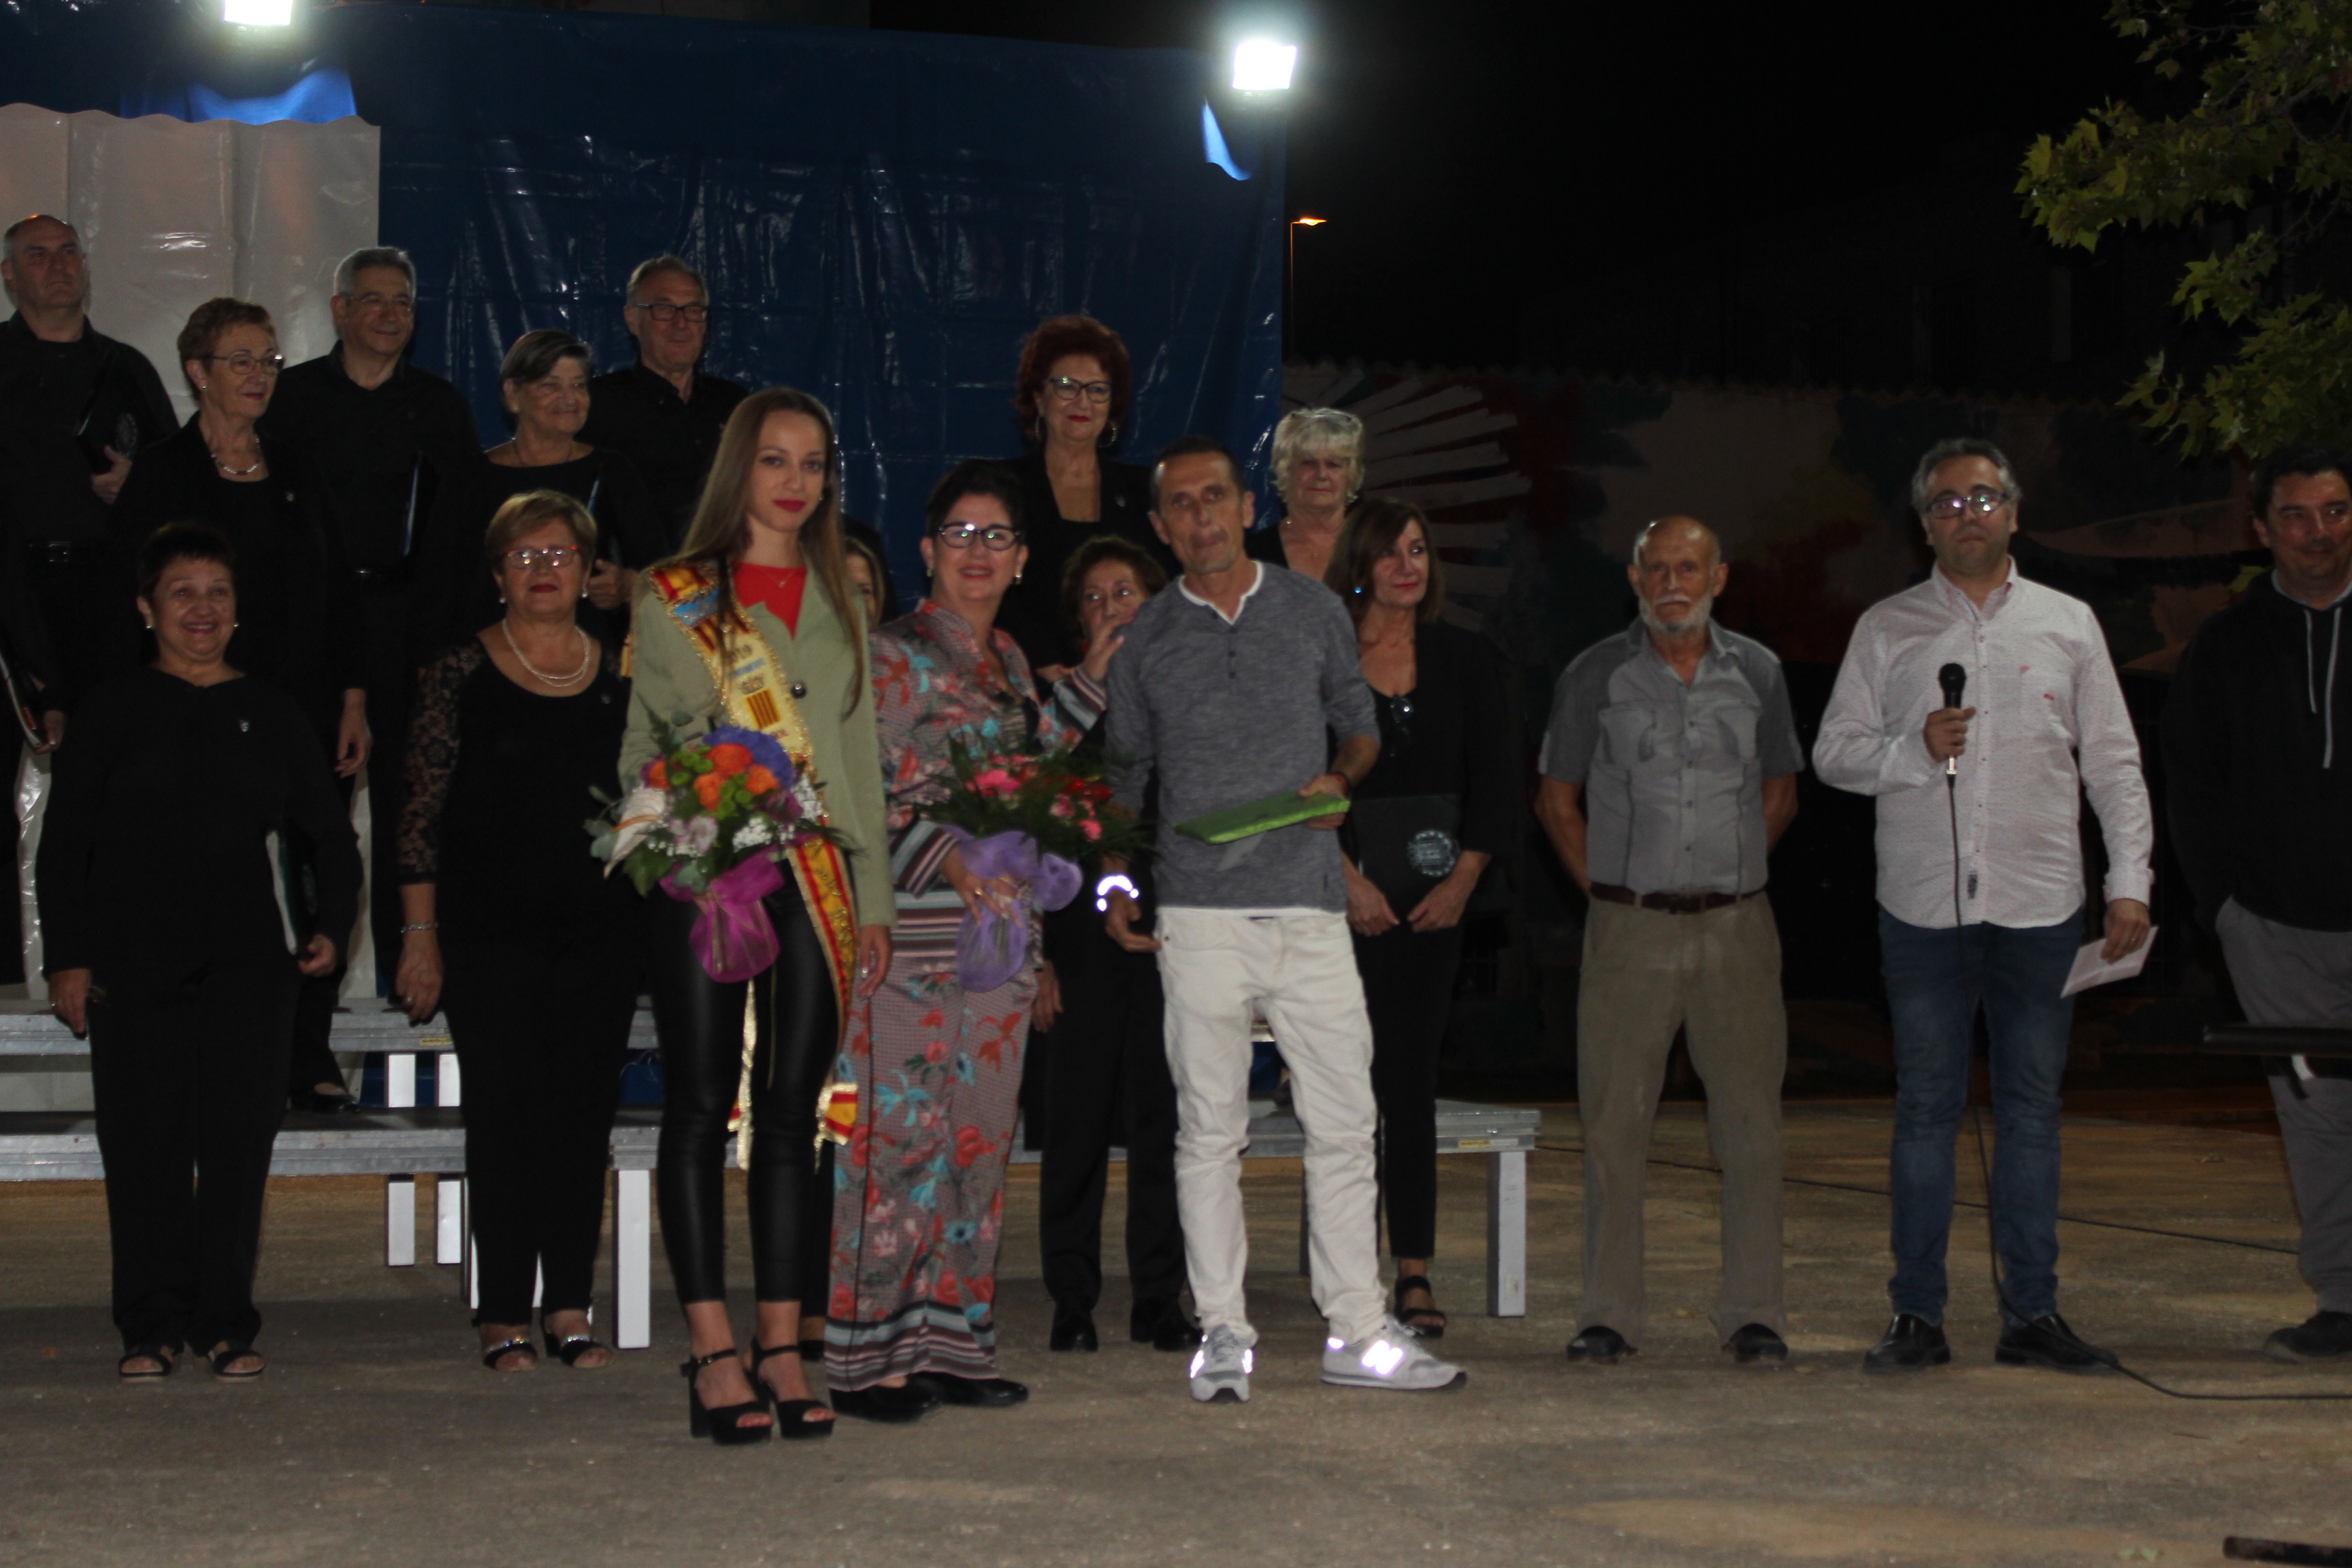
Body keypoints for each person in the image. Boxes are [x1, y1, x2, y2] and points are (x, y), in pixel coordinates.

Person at [1100, 433, 1465, 1402]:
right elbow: (1122, 782)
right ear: (1161, 524)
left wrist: (1339, 778)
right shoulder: (1147, 638)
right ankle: (1223, 1332)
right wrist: (1112, 885)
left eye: (1215, 497)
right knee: (1207, 1134)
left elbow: (1360, 726)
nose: (1202, 518)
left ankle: (1359, 1331)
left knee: (1347, 1124)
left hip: (1310, 909)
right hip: (1198, 918)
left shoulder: (1311, 609)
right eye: (1181, 504)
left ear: (1245, 505)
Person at [1816, 436, 2153, 1375]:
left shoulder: (2068, 622)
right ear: (1923, 524)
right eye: (1948, 503)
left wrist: (2130, 881)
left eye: (1983, 498)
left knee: (2032, 1112)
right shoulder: (1887, 627)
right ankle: (1916, 1315)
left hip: (2041, 904)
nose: (1968, 515)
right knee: (1927, 1107)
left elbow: (2113, 761)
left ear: (2014, 511)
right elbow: (1834, 752)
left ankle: (2032, 1314)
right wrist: (1914, 751)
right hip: (1923, 908)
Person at [623, 387, 895, 1445]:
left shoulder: (839, 597)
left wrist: (873, 901)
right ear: (740, 467)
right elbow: (645, 746)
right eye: (776, 460)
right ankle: (711, 1351)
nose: (795, 482)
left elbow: (858, 762)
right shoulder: (674, 594)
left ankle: (782, 1346)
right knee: (699, 1107)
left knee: (793, 1115)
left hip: (819, 878)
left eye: (814, 464)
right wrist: (687, 828)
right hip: (708, 872)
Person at [828, 459, 1116, 1417]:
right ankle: (869, 1360)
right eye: (961, 534)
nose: (978, 552)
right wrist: (943, 856)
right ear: (927, 549)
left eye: (998, 537)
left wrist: (1091, 684)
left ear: (1023, 558)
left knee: (978, 1144)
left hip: (997, 939)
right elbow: (850, 789)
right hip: (909, 938)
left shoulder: (1013, 664)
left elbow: (1024, 776)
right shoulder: (889, 653)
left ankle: (954, 1345)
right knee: (895, 1146)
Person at [37, 523, 359, 1380]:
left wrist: (331, 926)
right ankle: (149, 1325)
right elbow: (64, 848)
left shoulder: (273, 710)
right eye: (182, 592)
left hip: (251, 967)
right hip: (131, 967)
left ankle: (225, 1322)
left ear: (238, 609)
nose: (202, 609)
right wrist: (68, 959)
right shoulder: (111, 709)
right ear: (147, 609)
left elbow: (331, 837)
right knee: (141, 1147)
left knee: (235, 1150)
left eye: (218, 592)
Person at [1533, 514, 1801, 1366]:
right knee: (1614, 1127)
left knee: (1751, 1129)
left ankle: (1754, 1313)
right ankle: (1609, 1314)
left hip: (1737, 930)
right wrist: (1611, 893)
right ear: (1635, 579)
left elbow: (1781, 791)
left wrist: (1732, 871)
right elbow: (1555, 801)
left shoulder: (1758, 671)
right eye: (1657, 570)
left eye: (1690, 569)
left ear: (1719, 578)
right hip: (1630, 930)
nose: (1673, 585)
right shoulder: (1595, 674)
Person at [393, 490, 642, 1373]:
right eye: (525, 556)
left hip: (602, 933)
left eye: (561, 554)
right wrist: (419, 933)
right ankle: (501, 1312)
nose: (544, 569)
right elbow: (417, 816)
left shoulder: (624, 670)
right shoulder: (456, 670)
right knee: (504, 1119)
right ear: (497, 573)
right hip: (486, 935)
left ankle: (569, 1306)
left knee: (582, 1118)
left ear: (588, 571)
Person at [109, 296, 370, 1116]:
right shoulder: (163, 471)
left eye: (269, 360)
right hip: (197, 713)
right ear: (197, 372)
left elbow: (341, 591)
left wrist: (354, 698)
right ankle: (202, 1045)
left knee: (317, 873)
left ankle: (307, 1049)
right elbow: (126, 600)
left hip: (304, 709)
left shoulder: (297, 467)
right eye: (241, 360)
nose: (260, 375)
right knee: (208, 877)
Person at [2162, 442, 2352, 1366]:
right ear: (2262, 529)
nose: (2320, 533)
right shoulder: (2226, 646)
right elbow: (2191, 783)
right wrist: (2225, 909)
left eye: (2336, 511)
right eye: (2297, 516)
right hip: (2274, 929)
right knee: (2317, 1122)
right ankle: (2345, 1301)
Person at [261, 245, 483, 994]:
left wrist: (449, 650)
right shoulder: (289, 400)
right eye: (375, 299)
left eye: (403, 302)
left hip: (412, 634)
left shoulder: (441, 408)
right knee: (312, 816)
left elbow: (465, 538)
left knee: (411, 812)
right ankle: (309, 1001)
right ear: (340, 311)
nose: (390, 314)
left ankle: (404, 985)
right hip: (313, 634)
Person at [1331, 497, 1516, 1341]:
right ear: (1360, 563)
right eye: (1390, 552)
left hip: (1436, 914)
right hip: (1343, 909)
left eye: (1418, 550)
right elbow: (1301, 783)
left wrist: (1464, 881)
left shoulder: (1464, 656)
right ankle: (1345, 1275)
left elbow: (1496, 780)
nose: (1407, 566)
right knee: (1343, 1097)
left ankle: (1412, 1271)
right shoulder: (1328, 660)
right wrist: (1346, 882)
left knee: (1409, 1089)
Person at [1032, 536, 1196, 1355]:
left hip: (1171, 929)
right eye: (1093, 599)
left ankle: (1159, 1297)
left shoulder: (1190, 695)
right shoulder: (1058, 708)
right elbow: (1019, 825)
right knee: (1078, 1120)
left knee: (1165, 1117)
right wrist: (1037, 955)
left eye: (1125, 593)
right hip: (1077, 936)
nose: (1110, 609)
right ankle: (1072, 1297)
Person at [0, 214, 176, 724]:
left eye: (68, 252)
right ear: (9, 274)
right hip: (11, 593)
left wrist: (138, 487)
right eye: (38, 255)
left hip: (107, 600)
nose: (58, 266)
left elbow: (178, 485)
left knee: (103, 759)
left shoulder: (127, 369)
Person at [416, 329, 664, 653]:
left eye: (578, 385)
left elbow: (662, 571)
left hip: (588, 657)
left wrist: (629, 585)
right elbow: (436, 589)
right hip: (488, 658)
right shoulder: (469, 479)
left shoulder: (613, 471)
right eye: (551, 385)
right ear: (513, 394)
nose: (569, 398)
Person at [996, 313, 1166, 672]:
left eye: (1097, 389)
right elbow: (992, 589)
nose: (1082, 402)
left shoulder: (1144, 491)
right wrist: (1045, 665)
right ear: (1039, 397)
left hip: (1132, 677)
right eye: (1066, 386)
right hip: (1027, 677)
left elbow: (1164, 594)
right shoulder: (1002, 488)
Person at [578, 255, 749, 547]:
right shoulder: (596, 405)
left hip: (724, 569)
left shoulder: (735, 405)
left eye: (693, 310)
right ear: (633, 319)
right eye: (664, 309)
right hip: (635, 574)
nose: (681, 323)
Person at [1245, 406, 1364, 585]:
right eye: (1308, 463)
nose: (1321, 474)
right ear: (1286, 470)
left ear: (1352, 473)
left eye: (1333, 464)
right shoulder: (1249, 556)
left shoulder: (1378, 549)